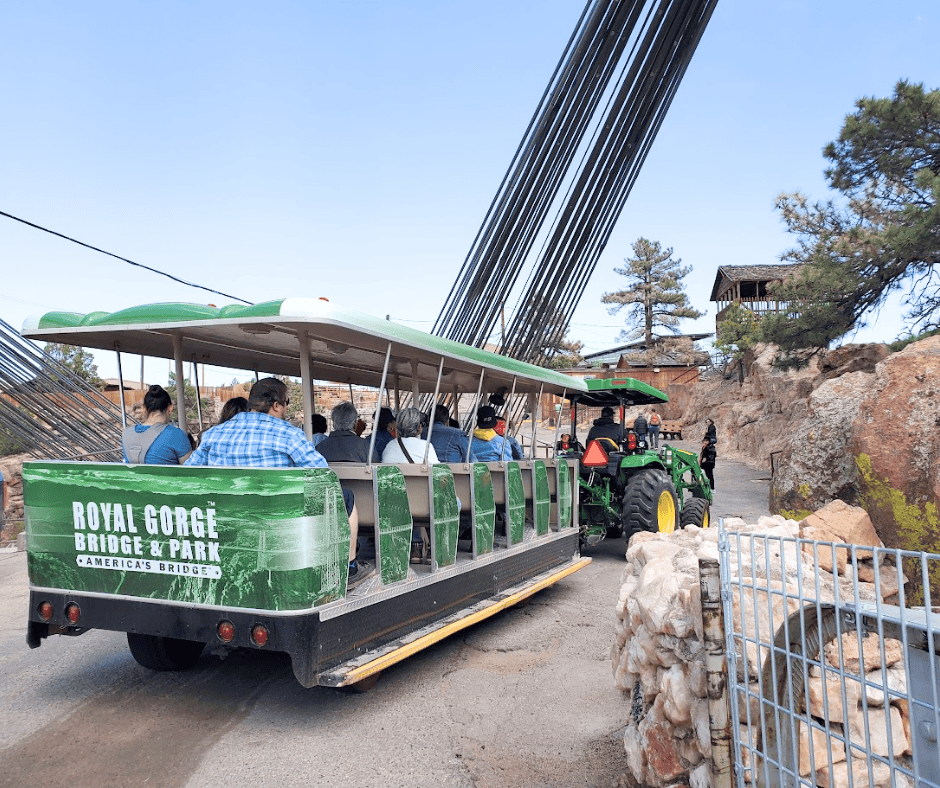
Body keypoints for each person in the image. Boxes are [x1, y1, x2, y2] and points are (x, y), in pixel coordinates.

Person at [186, 378, 372, 587]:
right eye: (287, 403)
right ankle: (349, 567)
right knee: (344, 496)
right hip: (276, 521)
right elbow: (324, 476)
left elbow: (187, 475)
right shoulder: (289, 434)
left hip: (226, 518)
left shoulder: (213, 435)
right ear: (276, 405)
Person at [122, 385, 193, 465]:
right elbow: (190, 468)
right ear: (170, 408)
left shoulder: (127, 434)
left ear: (143, 409)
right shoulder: (176, 435)